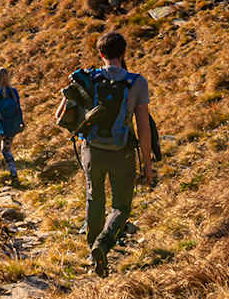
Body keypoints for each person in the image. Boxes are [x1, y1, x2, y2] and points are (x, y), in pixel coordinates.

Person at [55, 31, 154, 277]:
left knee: (94, 198)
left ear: (100, 54)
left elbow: (59, 116)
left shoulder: (89, 78)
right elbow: (143, 128)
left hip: (92, 150)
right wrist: (148, 165)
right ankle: (104, 244)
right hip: (122, 152)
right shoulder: (137, 82)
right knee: (121, 206)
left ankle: (92, 252)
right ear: (123, 53)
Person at [0, 67, 24, 187]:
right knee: (7, 151)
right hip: (11, 127)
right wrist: (20, 123)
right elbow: (19, 109)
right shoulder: (14, 92)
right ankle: (14, 176)